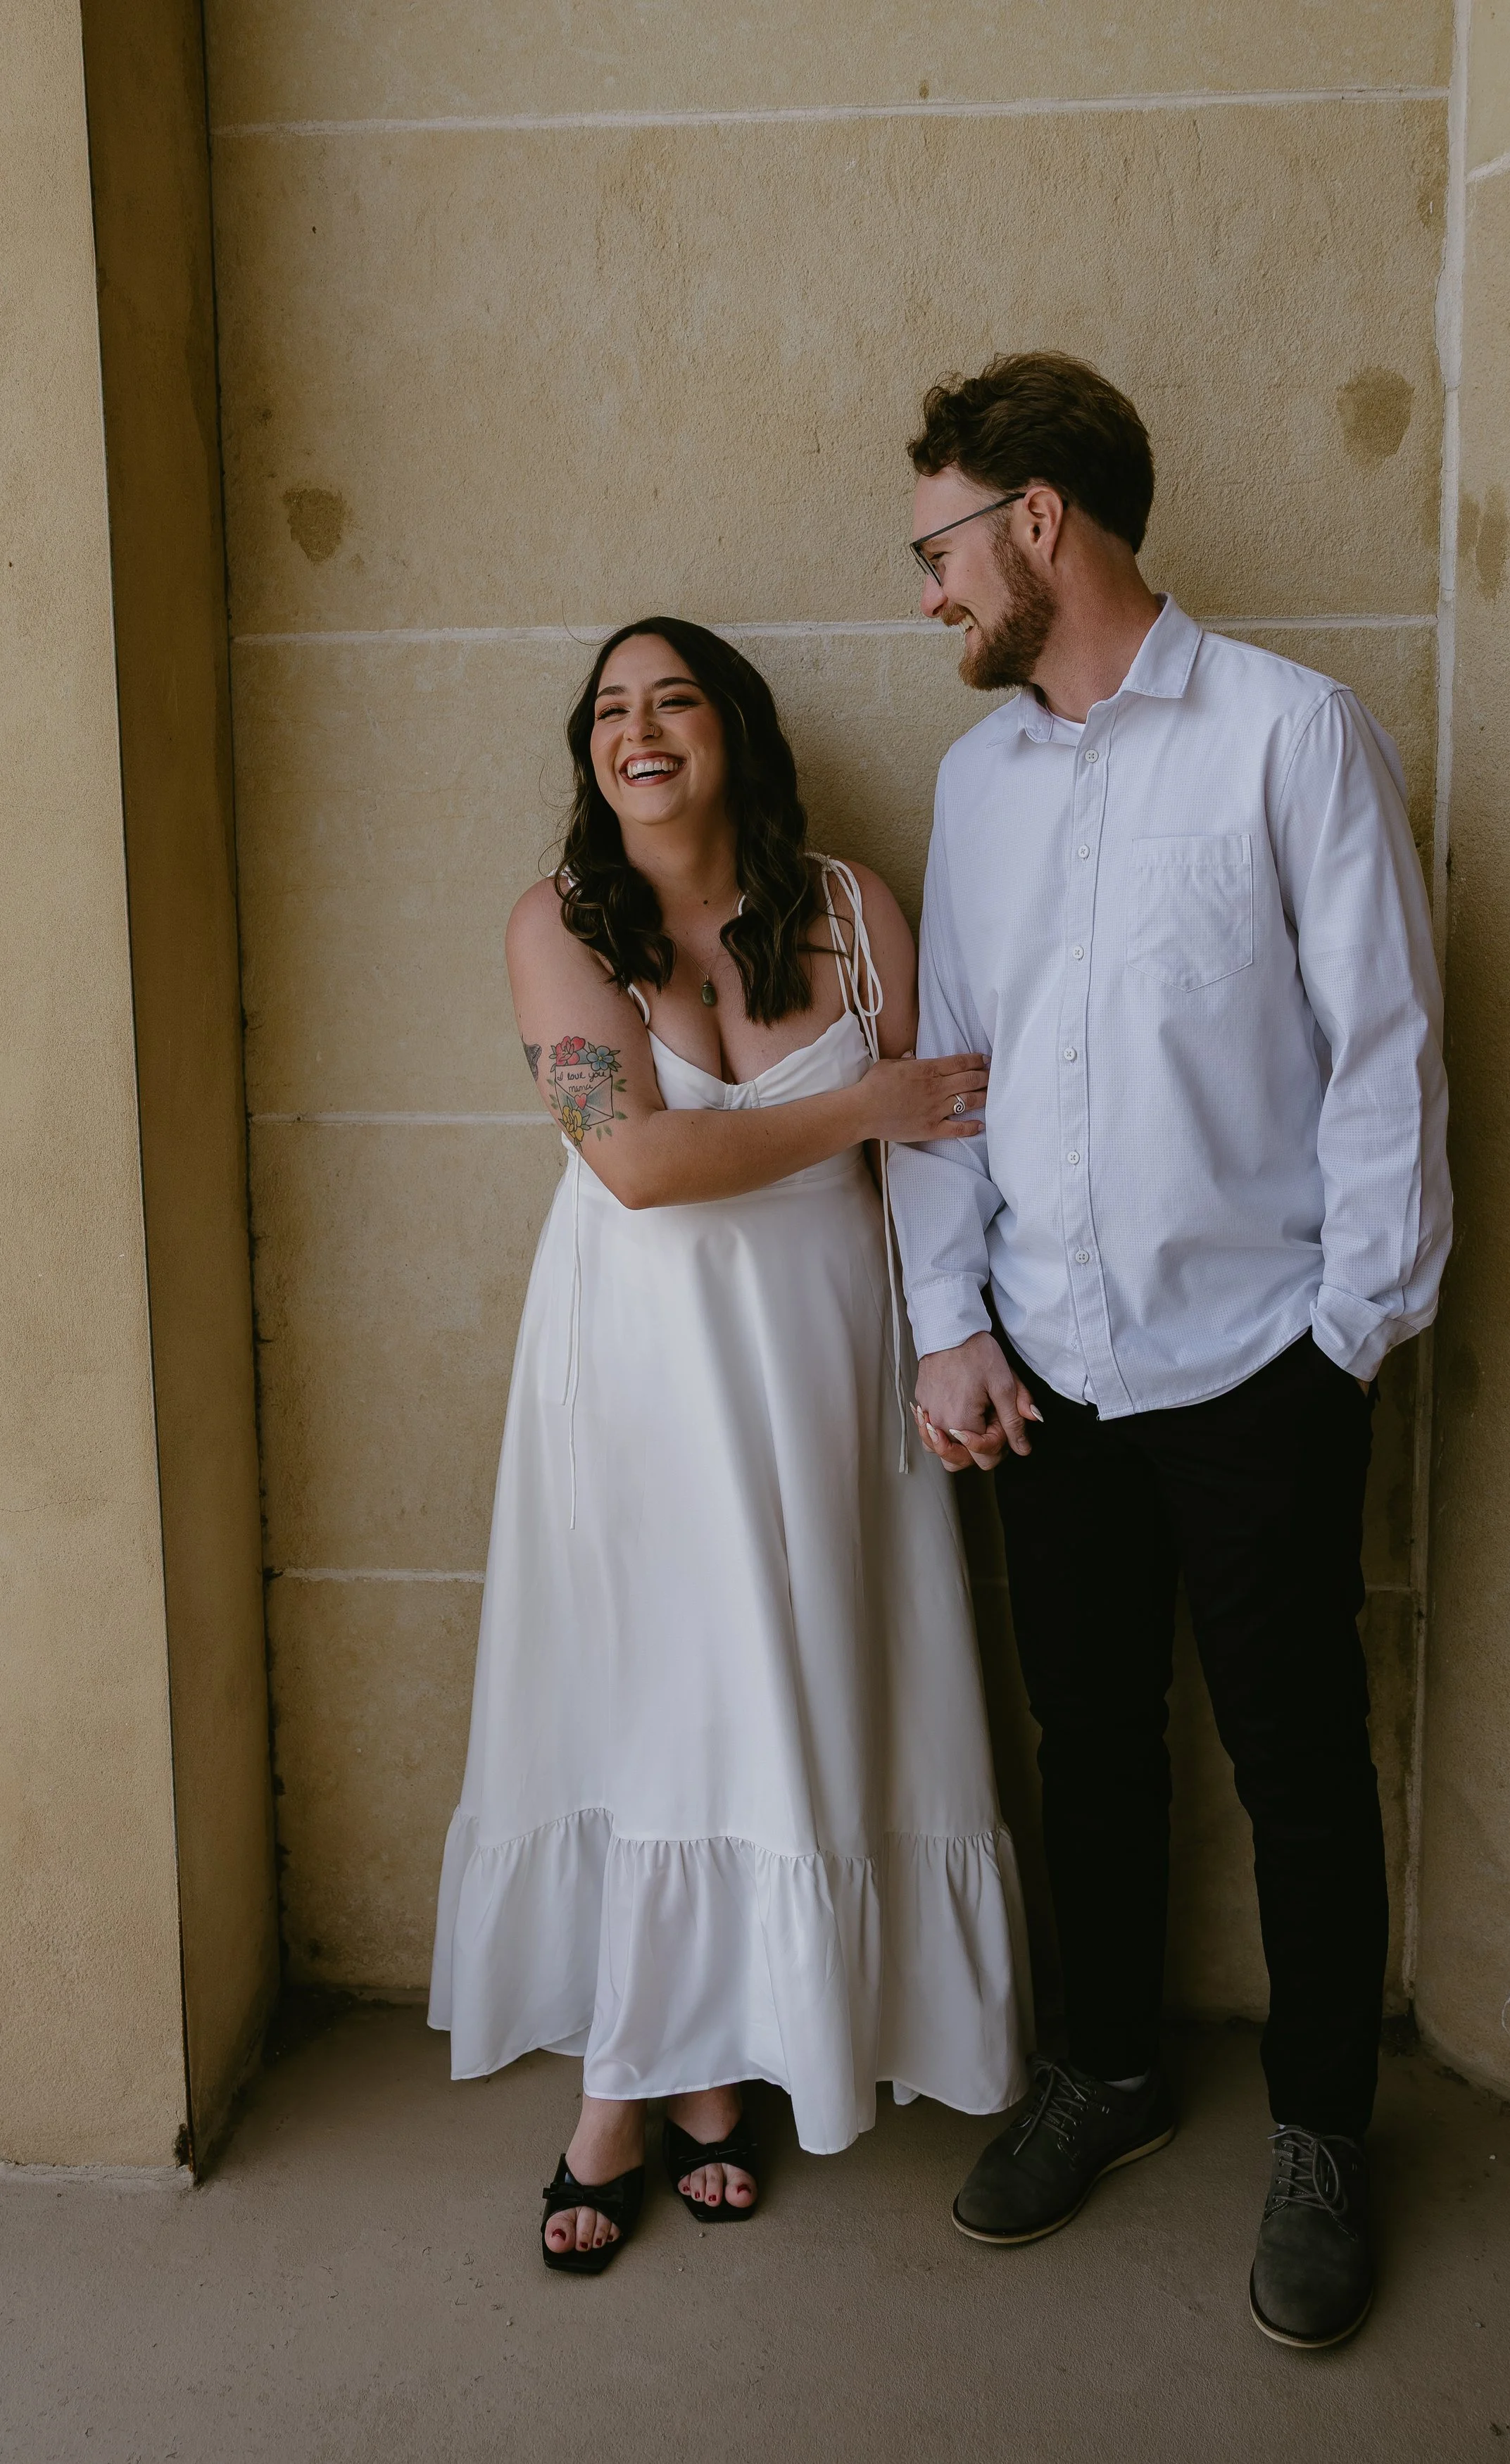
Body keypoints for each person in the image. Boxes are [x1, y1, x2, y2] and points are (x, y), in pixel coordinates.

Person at [887, 355, 1451, 2347]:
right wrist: (947, 1321)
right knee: (1092, 1742)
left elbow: (1383, 1055)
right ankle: (1105, 2068)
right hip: (1047, 1367)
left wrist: (1343, 1340)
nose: (929, 589)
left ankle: (1319, 2131)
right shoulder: (973, 787)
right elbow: (945, 1081)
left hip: (1253, 1365)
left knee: (1295, 1764)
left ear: (1042, 519)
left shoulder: (1290, 738)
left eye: (944, 543)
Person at [428, 617, 1028, 2275]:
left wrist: (944, 1334)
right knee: (660, 1703)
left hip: (824, 1355)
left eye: (672, 698)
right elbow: (632, 1163)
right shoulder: (555, 928)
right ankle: (621, 2088)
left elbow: (939, 1149)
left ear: (731, 730)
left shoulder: (850, 905)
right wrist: (863, 1103)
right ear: (589, 755)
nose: (639, 730)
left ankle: (725, 2069)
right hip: (640, 1366)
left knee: (801, 1684)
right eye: (610, 710)